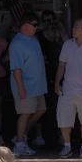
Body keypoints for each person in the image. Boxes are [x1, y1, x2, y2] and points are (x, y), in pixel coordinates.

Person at [54, 17, 82, 159]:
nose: (74, 29)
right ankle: (67, 146)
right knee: (64, 120)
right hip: (67, 89)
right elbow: (61, 65)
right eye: (73, 26)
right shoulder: (67, 44)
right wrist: (57, 83)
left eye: (77, 27)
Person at [9, 12, 47, 156]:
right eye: (35, 24)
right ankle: (19, 144)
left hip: (38, 86)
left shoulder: (33, 39)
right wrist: (20, 88)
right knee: (25, 114)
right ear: (25, 25)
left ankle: (21, 135)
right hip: (26, 86)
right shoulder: (17, 43)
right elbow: (16, 68)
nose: (37, 27)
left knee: (41, 110)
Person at [35, 11, 67, 148]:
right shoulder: (40, 37)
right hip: (45, 76)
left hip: (61, 77)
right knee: (43, 107)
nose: (49, 23)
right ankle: (40, 135)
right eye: (46, 20)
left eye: (51, 20)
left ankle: (61, 136)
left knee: (60, 108)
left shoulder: (64, 40)